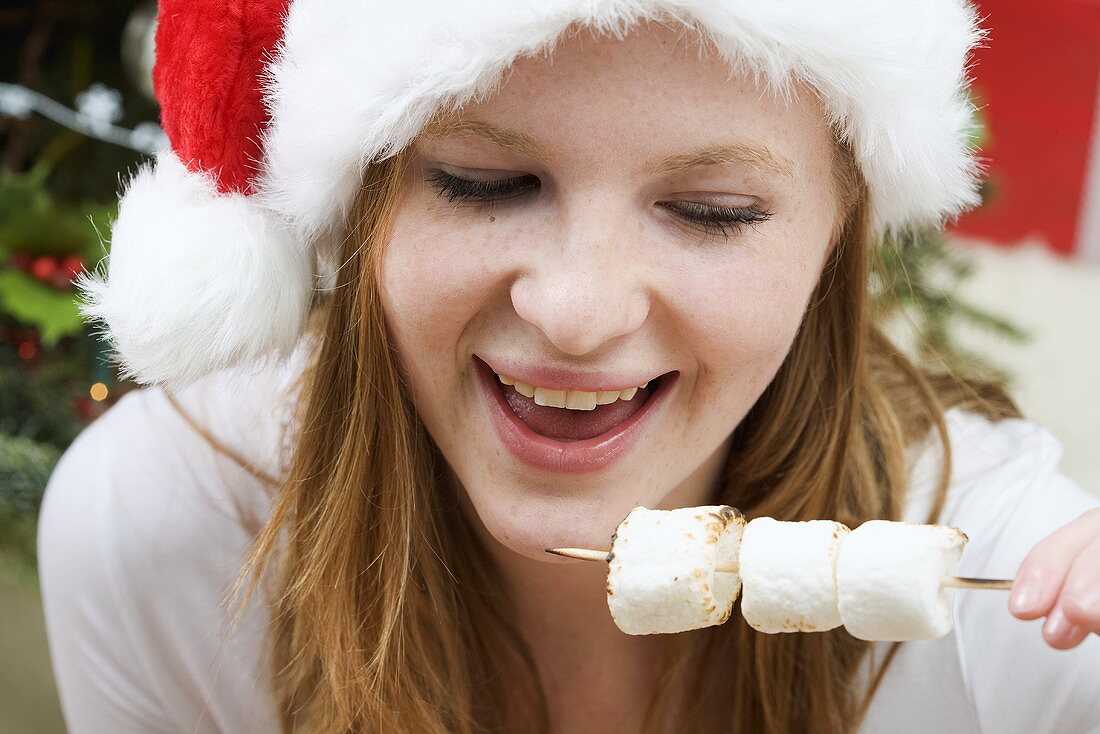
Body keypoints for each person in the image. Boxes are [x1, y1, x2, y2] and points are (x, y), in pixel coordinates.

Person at [36, 1, 1100, 733]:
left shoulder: (1015, 604)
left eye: (709, 211)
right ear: (361, 210)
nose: (578, 313)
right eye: (482, 181)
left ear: (838, 237)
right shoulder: (161, 529)